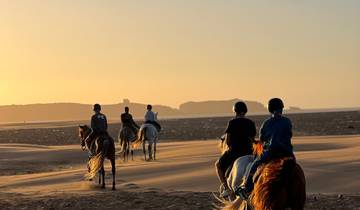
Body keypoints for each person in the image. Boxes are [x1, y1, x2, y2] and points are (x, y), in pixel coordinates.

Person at [235, 98, 294, 200]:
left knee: (254, 165)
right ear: (281, 109)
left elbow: (262, 141)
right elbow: (289, 135)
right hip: (287, 153)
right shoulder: (287, 121)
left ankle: (247, 188)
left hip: (271, 153)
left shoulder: (266, 123)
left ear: (270, 109)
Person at [215, 101, 256, 198]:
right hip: (249, 152)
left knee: (218, 165)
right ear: (245, 111)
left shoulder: (232, 122)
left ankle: (226, 188)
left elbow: (228, 141)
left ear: (235, 111)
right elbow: (252, 139)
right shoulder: (251, 123)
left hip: (235, 152)